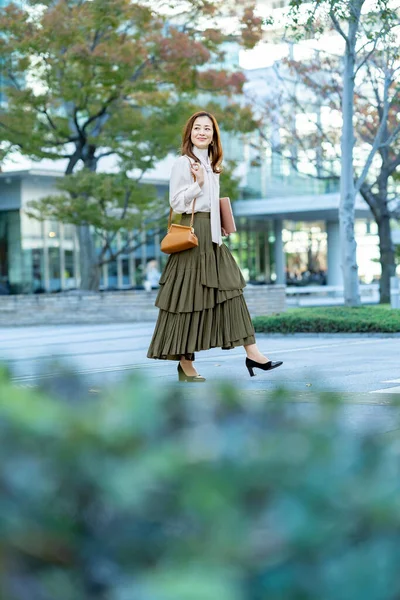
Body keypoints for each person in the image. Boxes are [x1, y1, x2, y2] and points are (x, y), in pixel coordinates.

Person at [146, 111, 283, 382]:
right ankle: (186, 365)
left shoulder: (212, 164)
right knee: (187, 300)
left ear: (213, 135)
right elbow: (177, 203)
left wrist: (220, 222)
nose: (201, 132)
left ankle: (253, 353)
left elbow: (212, 201)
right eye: (197, 128)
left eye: (207, 128)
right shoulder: (182, 163)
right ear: (189, 133)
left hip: (213, 236)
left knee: (232, 292)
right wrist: (197, 185)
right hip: (193, 237)